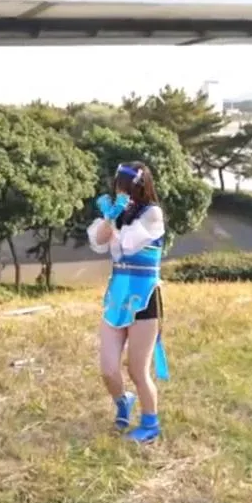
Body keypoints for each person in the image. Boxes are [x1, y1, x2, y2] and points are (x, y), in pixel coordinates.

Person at [86, 161, 170, 444]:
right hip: (116, 298)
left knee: (137, 370)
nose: (120, 192)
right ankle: (123, 401)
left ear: (139, 187)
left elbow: (128, 245)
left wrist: (116, 218)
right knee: (109, 370)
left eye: (125, 187)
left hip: (144, 299)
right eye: (118, 187)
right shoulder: (117, 214)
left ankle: (150, 424)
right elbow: (99, 241)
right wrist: (109, 217)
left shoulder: (152, 214)